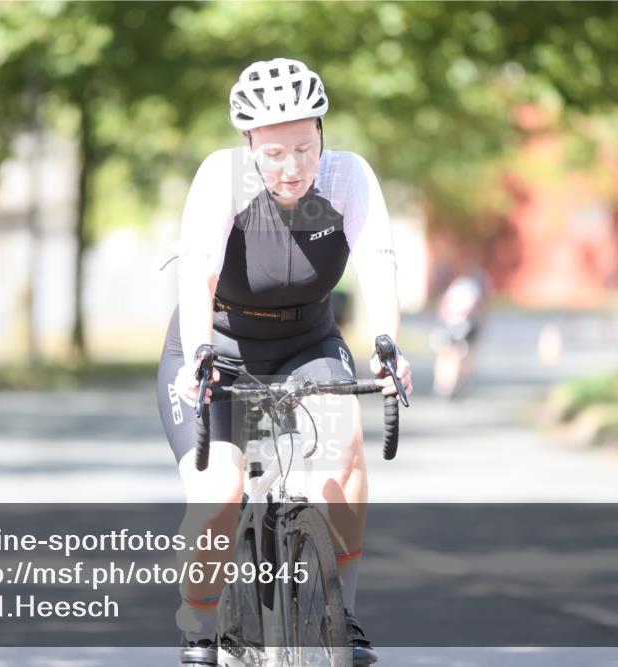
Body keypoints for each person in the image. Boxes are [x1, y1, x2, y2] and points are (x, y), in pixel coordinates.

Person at [156, 58, 412, 666]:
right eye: (273, 154)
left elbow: (378, 264)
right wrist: (199, 356)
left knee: (343, 454)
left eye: (304, 148)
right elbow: (199, 274)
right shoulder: (223, 179)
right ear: (249, 145)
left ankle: (343, 612)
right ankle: (198, 619)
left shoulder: (347, 177)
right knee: (219, 495)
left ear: (322, 133)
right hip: (218, 347)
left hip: (307, 343)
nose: (292, 167)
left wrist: (387, 345)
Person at [431, 271, 489, 398]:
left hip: (448, 322)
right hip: (462, 324)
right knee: (459, 354)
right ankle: (455, 382)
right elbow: (477, 310)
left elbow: (443, 305)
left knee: (445, 354)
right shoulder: (472, 289)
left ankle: (442, 384)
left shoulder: (455, 287)